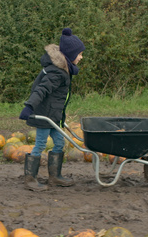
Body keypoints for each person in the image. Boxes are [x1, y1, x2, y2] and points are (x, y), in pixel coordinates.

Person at [19, 28, 85, 191]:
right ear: (70, 55)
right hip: (43, 115)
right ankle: (30, 179)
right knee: (40, 144)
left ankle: (55, 177)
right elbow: (41, 90)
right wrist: (29, 106)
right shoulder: (57, 72)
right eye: (79, 54)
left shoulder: (64, 70)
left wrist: (61, 117)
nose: (82, 57)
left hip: (54, 116)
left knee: (59, 143)